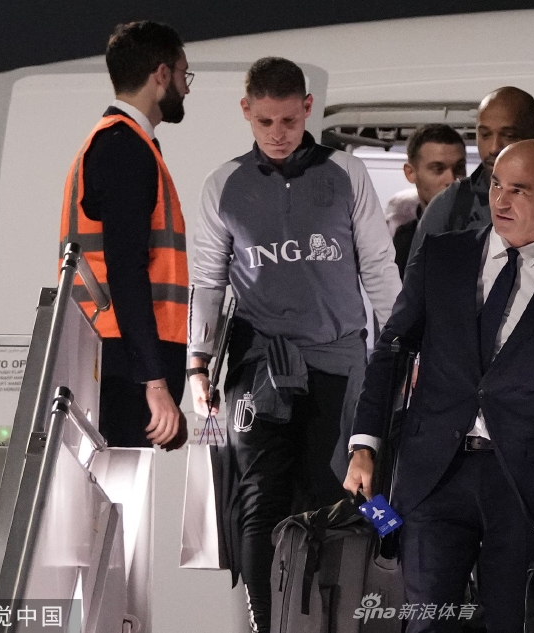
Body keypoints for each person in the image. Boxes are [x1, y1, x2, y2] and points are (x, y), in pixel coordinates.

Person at [345, 140, 534, 633]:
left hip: (522, 484)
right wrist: (365, 443)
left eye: (519, 190)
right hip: (433, 473)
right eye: (496, 184)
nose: (501, 200)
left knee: (511, 623)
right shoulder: (442, 255)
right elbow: (390, 352)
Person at [186, 57, 401, 631]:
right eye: (265, 121)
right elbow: (207, 279)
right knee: (259, 500)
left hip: (339, 361)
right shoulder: (223, 184)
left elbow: (379, 266)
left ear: (308, 108)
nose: (278, 134)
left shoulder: (346, 172)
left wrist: (403, 349)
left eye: (288, 120)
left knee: (337, 496)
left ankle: (328, 618)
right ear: (246, 111)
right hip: (258, 366)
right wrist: (197, 365)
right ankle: (267, 624)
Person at [59, 20, 191, 449]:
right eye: (183, 75)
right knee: (116, 481)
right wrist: (154, 380)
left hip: (109, 354)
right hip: (121, 363)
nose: (186, 88)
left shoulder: (117, 143)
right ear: (162, 74)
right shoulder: (126, 148)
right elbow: (126, 268)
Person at [408, 86, 534, 257]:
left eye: (508, 135)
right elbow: (418, 273)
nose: (494, 148)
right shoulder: (452, 203)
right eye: (485, 135)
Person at [385, 124, 467, 276]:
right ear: (411, 173)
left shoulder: (486, 230)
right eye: (438, 169)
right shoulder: (402, 240)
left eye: (459, 168)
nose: (452, 180)